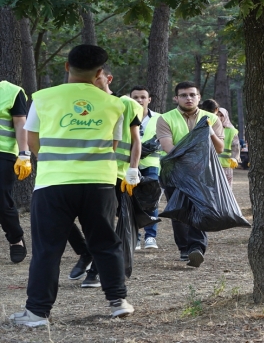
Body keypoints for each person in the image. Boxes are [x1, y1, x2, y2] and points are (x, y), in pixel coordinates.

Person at [10, 45, 134, 327]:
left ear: (67, 66)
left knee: (47, 249)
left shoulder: (42, 98)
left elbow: (32, 141)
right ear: (100, 72)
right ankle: (118, 302)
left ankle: (37, 313)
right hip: (99, 183)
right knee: (106, 243)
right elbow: (113, 145)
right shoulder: (115, 104)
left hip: (54, 183)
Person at [77, 65, 142, 288]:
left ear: (108, 79)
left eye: (98, 79)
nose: (94, 83)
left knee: (105, 223)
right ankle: (86, 254)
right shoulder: (85, 106)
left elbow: (135, 141)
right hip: (86, 172)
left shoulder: (125, 104)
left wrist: (133, 169)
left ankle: (95, 272)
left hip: (116, 173)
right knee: (84, 221)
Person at [157, 81, 224, 268]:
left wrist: (210, 132)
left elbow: (219, 149)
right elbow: (168, 147)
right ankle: (184, 248)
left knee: (199, 208)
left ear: (199, 97)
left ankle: (196, 248)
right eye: (184, 95)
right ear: (176, 98)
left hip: (202, 172)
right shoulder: (165, 118)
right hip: (174, 171)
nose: (189, 98)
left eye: (192, 95)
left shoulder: (212, 118)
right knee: (178, 210)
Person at [0, 80, 30, 263]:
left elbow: (20, 124)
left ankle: (15, 238)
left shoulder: (12, 92)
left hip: (3, 153)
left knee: (2, 200)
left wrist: (24, 154)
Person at [131, 85, 162, 249]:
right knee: (131, 200)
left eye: (143, 97)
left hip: (151, 164)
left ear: (149, 100)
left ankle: (151, 236)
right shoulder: (124, 116)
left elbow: (163, 138)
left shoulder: (159, 118)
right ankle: (135, 237)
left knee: (152, 200)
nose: (139, 100)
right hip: (129, 164)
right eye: (135, 97)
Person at [216, 108, 240, 186]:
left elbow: (235, 147)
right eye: (217, 115)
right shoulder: (211, 128)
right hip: (212, 165)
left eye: (221, 115)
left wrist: (235, 158)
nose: (219, 117)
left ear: (225, 116)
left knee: (227, 189)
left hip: (226, 165)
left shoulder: (231, 131)